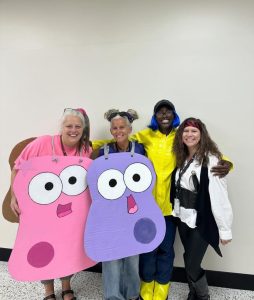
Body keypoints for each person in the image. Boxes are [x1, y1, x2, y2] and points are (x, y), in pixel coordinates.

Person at [92, 100, 232, 300]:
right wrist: (87, 145)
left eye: (168, 111)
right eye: (160, 112)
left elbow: (211, 155)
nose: (164, 115)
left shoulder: (181, 136)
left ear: (174, 115)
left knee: (166, 250)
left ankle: (163, 286)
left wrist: (229, 164)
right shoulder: (146, 135)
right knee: (147, 249)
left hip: (170, 207)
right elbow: (120, 138)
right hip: (146, 206)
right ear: (154, 116)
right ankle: (147, 285)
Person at [10, 108, 91, 300]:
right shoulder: (42, 143)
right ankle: (48, 290)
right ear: (61, 127)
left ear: (83, 128)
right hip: (41, 209)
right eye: (68, 125)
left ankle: (66, 286)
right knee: (42, 245)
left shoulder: (85, 149)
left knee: (67, 245)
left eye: (78, 126)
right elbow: (19, 169)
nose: (73, 130)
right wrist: (15, 196)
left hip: (68, 211)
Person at [170, 117, 233, 300]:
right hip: (183, 217)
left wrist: (225, 229)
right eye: (186, 131)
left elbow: (220, 197)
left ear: (201, 135)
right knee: (188, 255)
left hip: (201, 220)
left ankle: (203, 296)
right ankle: (193, 293)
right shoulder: (181, 157)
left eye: (194, 131)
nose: (189, 134)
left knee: (191, 263)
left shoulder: (212, 160)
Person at [93, 109, 145, 300]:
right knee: (111, 255)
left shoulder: (140, 149)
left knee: (132, 255)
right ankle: (113, 296)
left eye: (122, 127)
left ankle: (132, 294)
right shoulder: (103, 152)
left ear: (130, 128)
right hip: (110, 212)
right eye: (114, 128)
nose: (118, 130)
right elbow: (96, 180)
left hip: (133, 211)